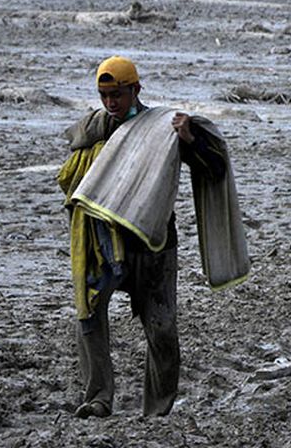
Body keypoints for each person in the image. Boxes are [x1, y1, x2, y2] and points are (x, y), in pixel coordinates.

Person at [56, 56, 241, 418]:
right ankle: (98, 397)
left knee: (161, 328)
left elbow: (213, 168)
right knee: (89, 312)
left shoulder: (162, 127)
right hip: (104, 242)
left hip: (153, 244)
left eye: (118, 95)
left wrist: (189, 138)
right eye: (104, 95)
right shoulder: (95, 130)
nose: (111, 103)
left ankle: (157, 409)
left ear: (136, 90)